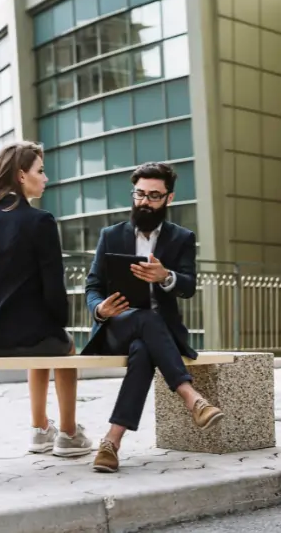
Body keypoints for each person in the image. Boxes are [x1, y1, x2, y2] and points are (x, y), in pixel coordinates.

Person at [83, 162, 223, 472]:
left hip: (157, 337)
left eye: (154, 196)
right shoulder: (110, 235)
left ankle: (111, 442)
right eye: (140, 194)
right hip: (116, 328)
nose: (144, 202)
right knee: (144, 320)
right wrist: (100, 309)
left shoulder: (182, 238)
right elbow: (92, 286)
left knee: (145, 348)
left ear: (169, 199)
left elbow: (188, 286)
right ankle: (191, 396)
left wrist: (165, 276)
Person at [0, 141, 91, 458]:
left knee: (44, 340)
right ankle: (69, 434)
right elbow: (54, 292)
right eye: (40, 171)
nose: (45, 178)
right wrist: (57, 325)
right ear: (21, 175)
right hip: (34, 337)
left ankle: (40, 429)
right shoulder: (40, 221)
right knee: (61, 344)